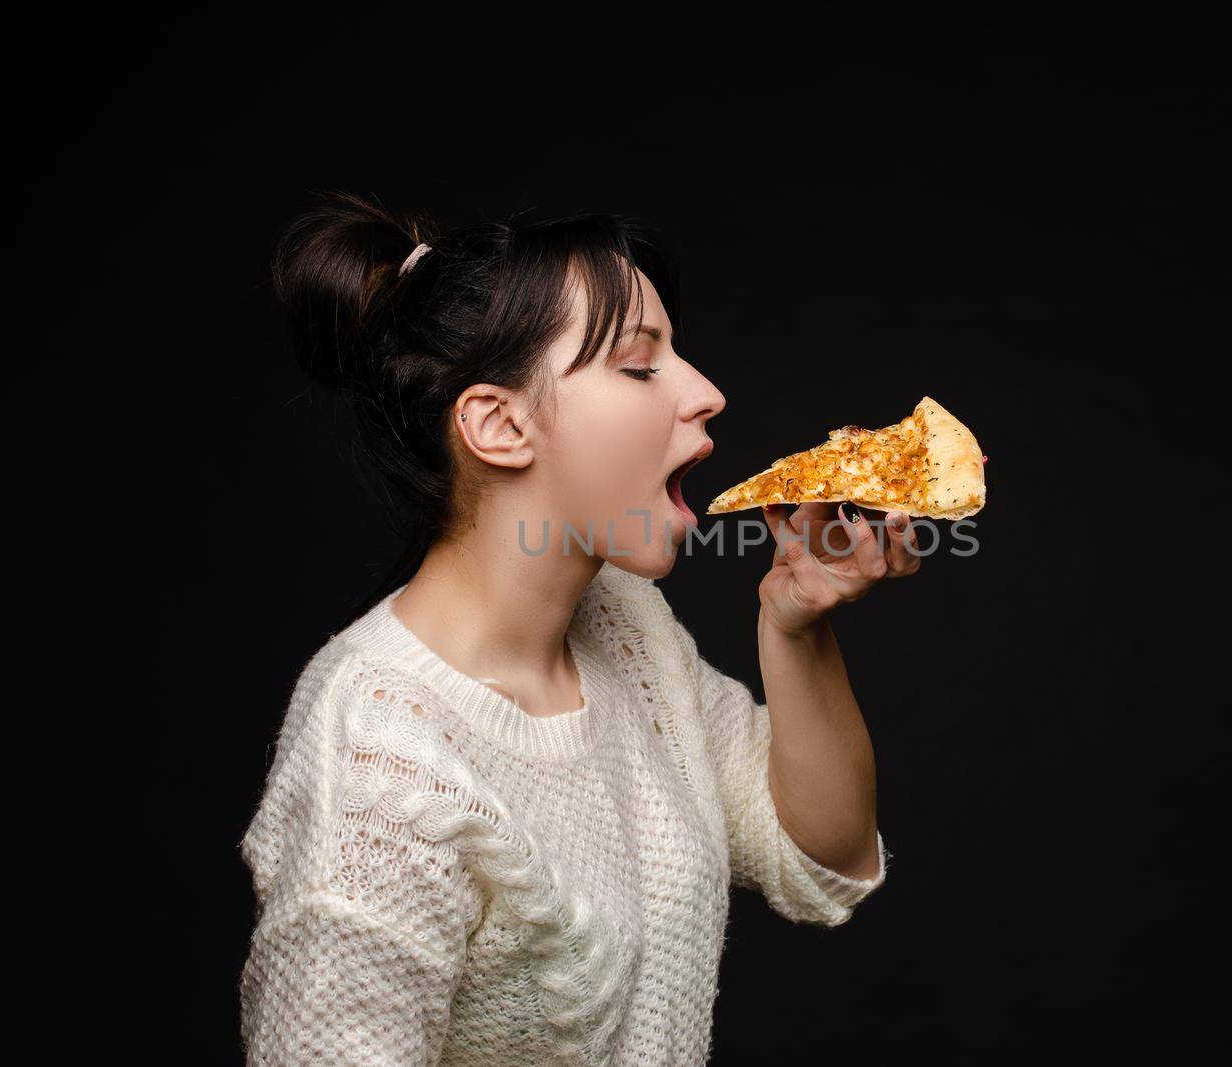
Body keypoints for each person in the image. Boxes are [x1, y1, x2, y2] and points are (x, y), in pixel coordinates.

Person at [238, 191, 917, 1065]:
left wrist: (794, 626)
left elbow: (818, 851)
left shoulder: (624, 627)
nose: (706, 392)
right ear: (499, 424)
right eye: (641, 365)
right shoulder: (376, 753)